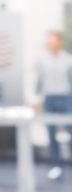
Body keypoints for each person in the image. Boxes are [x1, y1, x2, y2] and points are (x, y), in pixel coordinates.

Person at [36, 30, 72, 181]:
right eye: (48, 40)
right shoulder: (42, 60)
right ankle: (56, 166)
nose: (50, 43)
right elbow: (39, 82)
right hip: (49, 98)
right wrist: (36, 99)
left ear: (59, 42)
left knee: (71, 130)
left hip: (66, 97)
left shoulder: (68, 59)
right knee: (51, 134)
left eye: (52, 40)